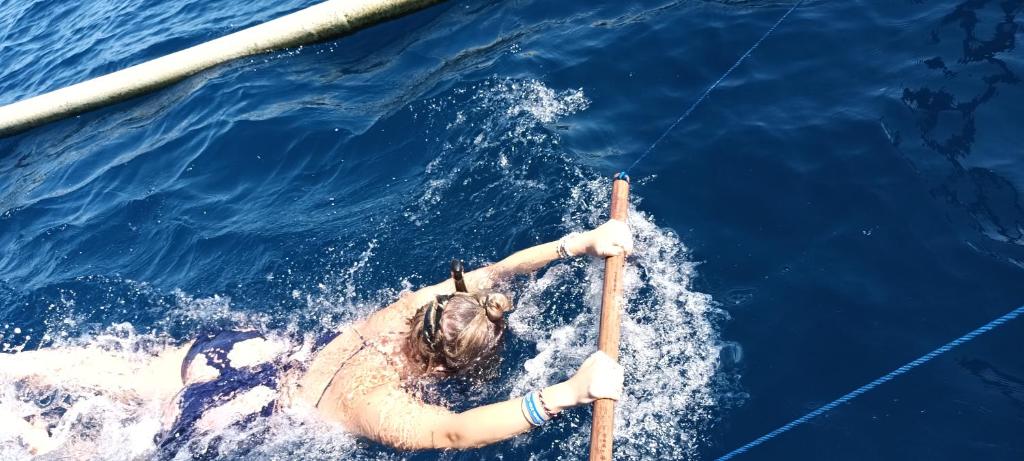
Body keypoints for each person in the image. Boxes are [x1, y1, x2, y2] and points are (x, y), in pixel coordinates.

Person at [0, 219, 632, 456]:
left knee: (128, 377)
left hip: (241, 351)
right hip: (241, 413)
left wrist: (578, 243)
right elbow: (452, 433)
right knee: (90, 450)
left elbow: (494, 274)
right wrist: (564, 394)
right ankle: (33, 442)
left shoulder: (410, 307)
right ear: (442, 371)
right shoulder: (378, 402)